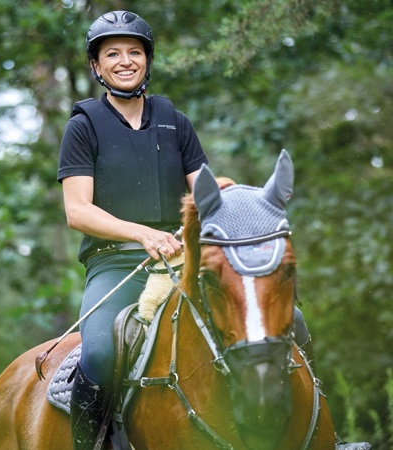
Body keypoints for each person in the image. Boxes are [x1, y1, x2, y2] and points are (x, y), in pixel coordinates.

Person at [57, 11, 319, 449]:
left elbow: (204, 194)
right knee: (100, 353)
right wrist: (142, 234)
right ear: (96, 67)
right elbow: (77, 211)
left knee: (296, 322)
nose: (126, 61)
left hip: (181, 258)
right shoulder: (83, 126)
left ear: (148, 60)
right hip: (116, 263)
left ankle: (313, 434)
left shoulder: (173, 120)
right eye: (113, 54)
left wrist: (229, 194)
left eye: (135, 52)